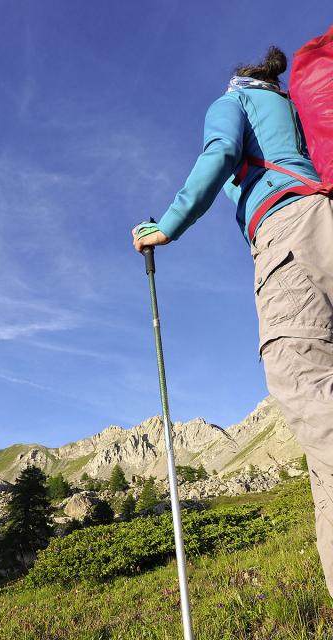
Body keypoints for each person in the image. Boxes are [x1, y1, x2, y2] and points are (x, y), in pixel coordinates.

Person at [131, 46, 333, 596]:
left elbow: (219, 152)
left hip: (288, 232)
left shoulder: (235, 100)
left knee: (304, 385)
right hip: (325, 214)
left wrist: (167, 225)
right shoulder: (295, 110)